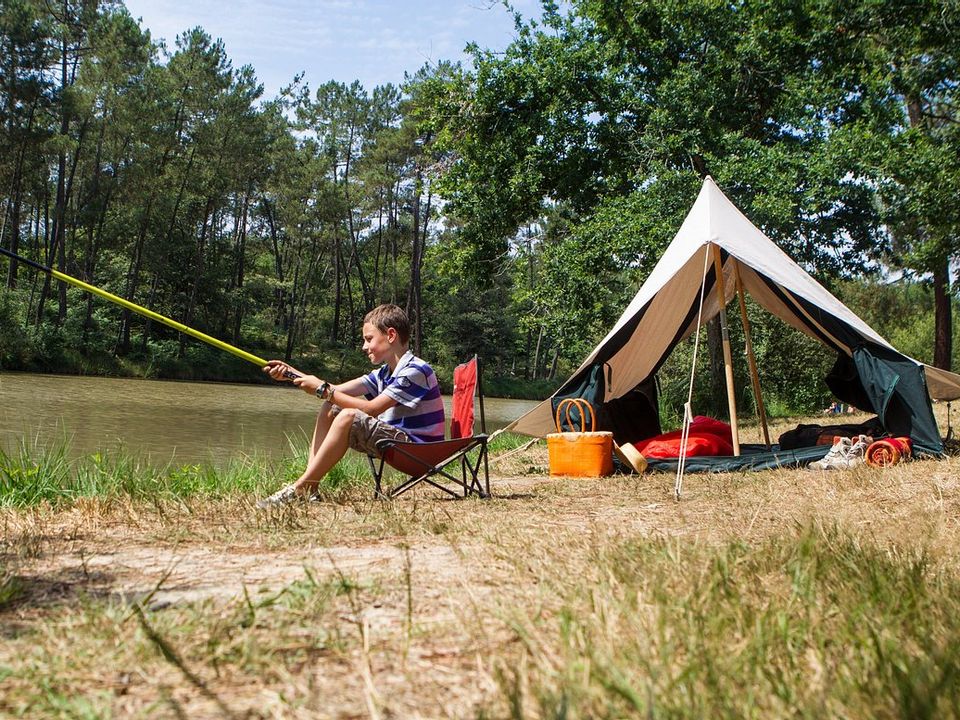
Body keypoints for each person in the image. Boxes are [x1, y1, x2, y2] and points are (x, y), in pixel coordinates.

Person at [257, 304, 445, 507]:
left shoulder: (416, 370)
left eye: (369, 339)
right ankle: (310, 487)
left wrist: (323, 390)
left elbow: (371, 409)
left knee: (348, 415)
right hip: (399, 445)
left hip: (418, 451)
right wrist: (290, 373)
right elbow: (336, 390)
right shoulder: (384, 373)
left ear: (391, 335)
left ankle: (302, 487)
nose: (364, 347)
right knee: (331, 406)